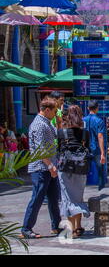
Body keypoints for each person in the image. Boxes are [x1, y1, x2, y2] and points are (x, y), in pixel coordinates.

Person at [21, 97, 61, 239]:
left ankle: (56, 226)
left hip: (49, 167)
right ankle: (26, 228)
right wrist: (50, 166)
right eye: (54, 111)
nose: (55, 114)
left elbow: (57, 135)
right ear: (47, 110)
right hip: (41, 168)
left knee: (54, 198)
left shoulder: (47, 123)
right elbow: (40, 149)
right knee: (37, 198)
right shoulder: (39, 124)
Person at [56, 105, 91, 239]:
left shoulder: (61, 133)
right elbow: (87, 149)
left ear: (68, 116)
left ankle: (71, 229)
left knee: (68, 199)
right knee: (78, 197)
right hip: (81, 169)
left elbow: (58, 150)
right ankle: (78, 226)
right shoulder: (85, 133)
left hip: (64, 170)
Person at [83, 101, 107, 190]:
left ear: (88, 108)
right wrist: (102, 153)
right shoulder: (99, 121)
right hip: (96, 148)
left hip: (85, 148)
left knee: (84, 168)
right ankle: (101, 186)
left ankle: (83, 185)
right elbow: (100, 136)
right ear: (97, 108)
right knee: (100, 167)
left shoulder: (83, 120)